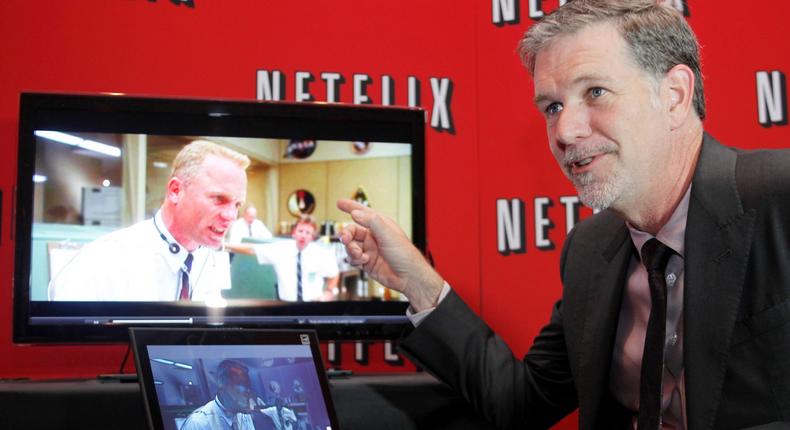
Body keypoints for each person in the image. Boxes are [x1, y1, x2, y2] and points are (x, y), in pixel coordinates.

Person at [337, 1, 790, 429]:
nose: (565, 132)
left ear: (673, 95)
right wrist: (418, 281)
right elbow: (520, 403)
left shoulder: (779, 198)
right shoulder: (591, 249)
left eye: (595, 92)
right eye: (552, 107)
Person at [48, 140, 249, 301]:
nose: (231, 216)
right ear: (176, 191)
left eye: (237, 205)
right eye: (219, 199)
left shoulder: (208, 258)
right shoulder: (102, 262)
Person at [228, 215, 339, 302]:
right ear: (294, 233)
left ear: (312, 236)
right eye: (300, 231)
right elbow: (252, 249)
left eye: (308, 232)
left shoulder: (321, 254)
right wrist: (225, 246)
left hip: (313, 304)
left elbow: (334, 273)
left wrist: (329, 292)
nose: (303, 236)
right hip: (286, 305)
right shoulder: (280, 249)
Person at [181, 359, 280, 430]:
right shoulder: (198, 423)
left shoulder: (243, 416)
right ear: (223, 389)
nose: (249, 396)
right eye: (243, 389)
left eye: (249, 389)